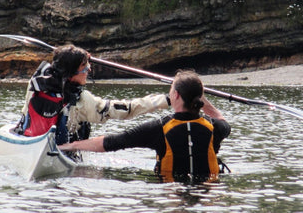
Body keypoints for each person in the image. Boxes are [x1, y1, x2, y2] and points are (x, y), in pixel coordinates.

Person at [58, 70, 231, 183]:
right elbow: (221, 119)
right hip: (208, 193)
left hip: (171, 192)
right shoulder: (214, 127)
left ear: (176, 95)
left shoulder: (158, 129)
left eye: (171, 90)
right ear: (199, 98)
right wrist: (203, 101)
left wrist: (70, 146)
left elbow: (110, 142)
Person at [14, 44, 170, 147]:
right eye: (84, 66)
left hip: (30, 143)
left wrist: (77, 55)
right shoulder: (83, 101)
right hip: (61, 150)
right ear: (70, 74)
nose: (89, 69)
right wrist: (166, 100)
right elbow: (126, 109)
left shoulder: (35, 83)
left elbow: (57, 64)